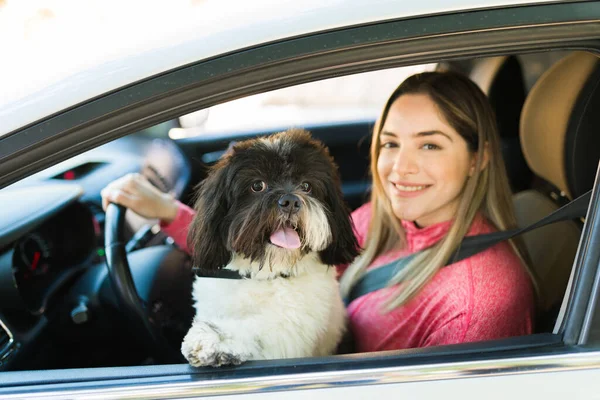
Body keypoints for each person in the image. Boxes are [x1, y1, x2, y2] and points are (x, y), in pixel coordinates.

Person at [101, 71, 537, 353]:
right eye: (390, 143)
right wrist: (167, 212)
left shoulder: (479, 302)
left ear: (478, 158)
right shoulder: (391, 223)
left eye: (429, 144)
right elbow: (279, 244)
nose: (400, 167)